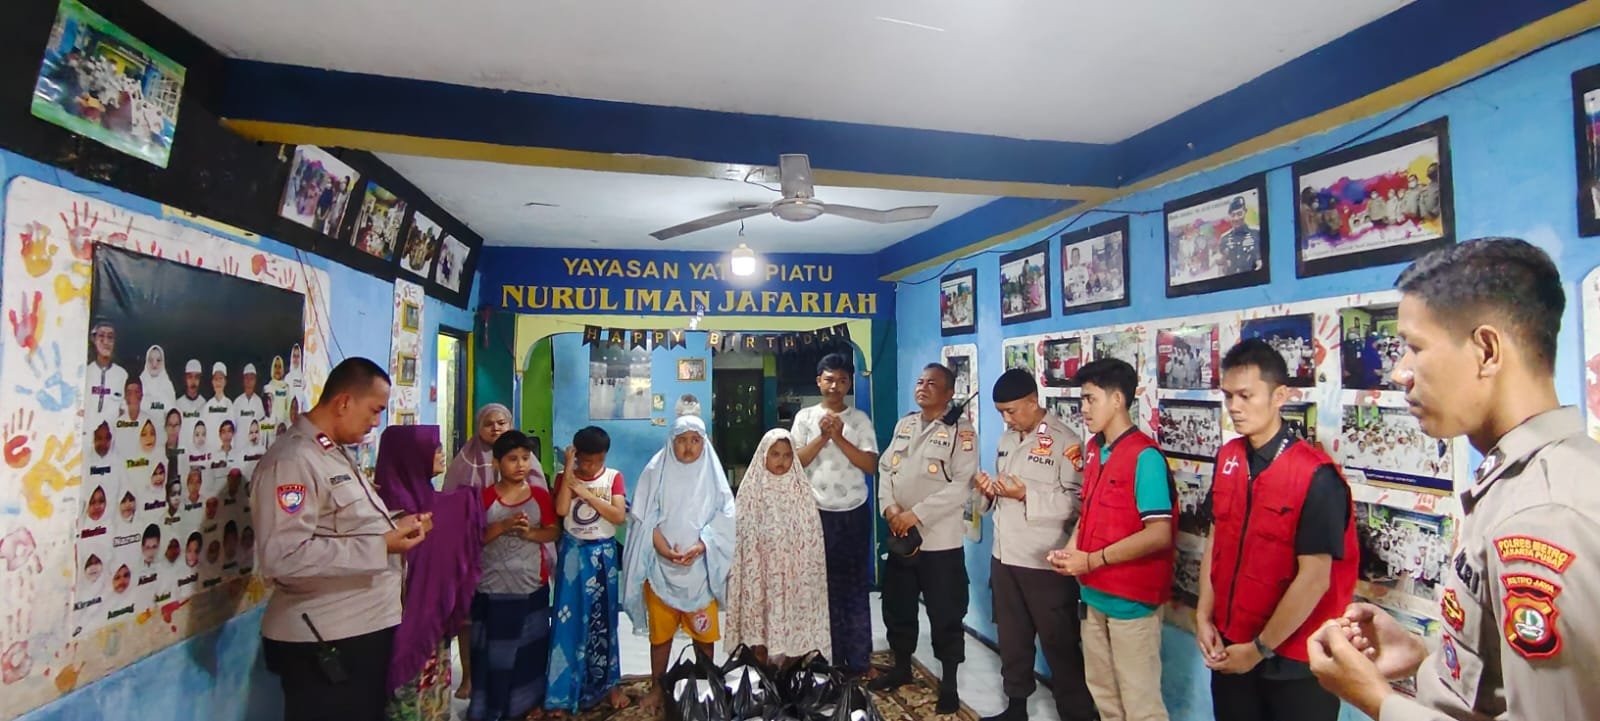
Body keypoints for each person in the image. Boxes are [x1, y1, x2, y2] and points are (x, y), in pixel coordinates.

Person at [1308, 238, 1600, 719]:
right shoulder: (1529, 478)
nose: (1399, 373)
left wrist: (1377, 700)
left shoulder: (1543, 516)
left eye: (1414, 348)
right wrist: (1427, 661)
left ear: (1486, 350)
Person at [251, 357, 432, 721]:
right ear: (344, 402)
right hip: (325, 637)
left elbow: (342, 524)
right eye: (375, 410)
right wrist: (382, 545)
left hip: (359, 630)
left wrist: (395, 526)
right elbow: (283, 556)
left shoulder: (332, 453)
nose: (376, 422)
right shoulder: (293, 460)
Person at [1197, 339, 1356, 721]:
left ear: (1280, 396)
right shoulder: (1228, 457)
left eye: (1246, 395)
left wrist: (1259, 649)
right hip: (1231, 646)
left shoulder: (1316, 475)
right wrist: (1204, 615)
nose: (1234, 407)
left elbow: (1314, 579)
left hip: (1296, 662)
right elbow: (1217, 540)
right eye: (1228, 396)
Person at [1048, 358, 1175, 721]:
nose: (1084, 408)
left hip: (1131, 603)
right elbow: (1089, 511)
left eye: (1091, 399)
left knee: (1140, 704)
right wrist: (1071, 551)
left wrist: (1092, 560)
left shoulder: (1145, 457)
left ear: (1117, 400)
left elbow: (1159, 534)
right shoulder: (1094, 449)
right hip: (1093, 597)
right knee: (1104, 696)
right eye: (1082, 400)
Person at [974, 369, 1097, 721]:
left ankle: (1076, 714)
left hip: (1045, 561)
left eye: (1011, 411)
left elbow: (1078, 503)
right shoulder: (1007, 439)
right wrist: (988, 492)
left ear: (1032, 401)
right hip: (1004, 556)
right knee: (1013, 640)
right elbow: (1001, 492)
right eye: (1001, 412)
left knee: (1060, 645)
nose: (1006, 419)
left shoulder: (1065, 442)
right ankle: (1016, 709)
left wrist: (1027, 494)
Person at [870, 363, 978, 713]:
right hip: (901, 536)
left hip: (938, 543)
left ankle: (949, 683)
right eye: (920, 381)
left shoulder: (962, 432)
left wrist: (914, 515)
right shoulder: (905, 425)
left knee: (946, 613)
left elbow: (961, 486)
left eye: (933, 383)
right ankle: (901, 667)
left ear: (949, 393)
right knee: (897, 607)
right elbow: (886, 468)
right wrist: (890, 509)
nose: (923, 387)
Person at [621, 415, 736, 714]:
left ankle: (706, 684)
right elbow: (645, 518)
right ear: (671, 441)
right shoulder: (655, 471)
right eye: (682, 440)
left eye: (695, 440)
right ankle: (658, 688)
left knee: (704, 635)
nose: (688, 447)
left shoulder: (712, 475)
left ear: (704, 442)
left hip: (700, 572)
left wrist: (701, 546)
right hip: (661, 570)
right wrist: (662, 549)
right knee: (660, 637)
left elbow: (725, 517)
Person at [373, 423, 483, 721]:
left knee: (433, 702)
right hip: (395, 626)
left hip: (433, 625)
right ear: (410, 457)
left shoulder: (439, 505)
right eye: (433, 449)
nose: (441, 454)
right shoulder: (385, 515)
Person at [790, 352, 879, 677]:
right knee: (817, 588)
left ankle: (857, 659)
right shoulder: (805, 418)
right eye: (829, 380)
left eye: (842, 381)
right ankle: (820, 658)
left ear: (850, 383)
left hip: (853, 514)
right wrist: (823, 436)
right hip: (815, 514)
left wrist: (839, 437)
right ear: (819, 381)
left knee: (853, 588)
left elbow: (870, 465)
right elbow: (795, 462)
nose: (835, 386)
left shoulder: (859, 420)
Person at [471, 430, 559, 721]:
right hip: (493, 589)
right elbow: (474, 539)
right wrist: (504, 526)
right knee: (494, 654)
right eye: (512, 459)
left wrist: (531, 533)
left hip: (530, 586)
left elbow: (552, 531)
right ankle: (492, 708)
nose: (521, 465)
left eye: (525, 458)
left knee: (529, 652)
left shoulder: (539, 495)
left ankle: (524, 707)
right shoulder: (484, 497)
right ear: (496, 463)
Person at [726, 428, 833, 667]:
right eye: (775, 454)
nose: (781, 461)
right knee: (761, 625)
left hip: (794, 573)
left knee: (794, 625)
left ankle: (790, 671)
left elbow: (811, 533)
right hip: (761, 571)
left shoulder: (800, 489)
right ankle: (761, 671)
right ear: (764, 455)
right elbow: (743, 532)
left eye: (787, 455)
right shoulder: (751, 488)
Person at [441, 402, 524, 701]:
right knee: (470, 617)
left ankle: (508, 677)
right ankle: (469, 677)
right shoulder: (464, 461)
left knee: (508, 616)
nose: (496, 428)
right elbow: (451, 505)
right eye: (489, 423)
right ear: (479, 427)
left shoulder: (522, 458)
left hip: (516, 548)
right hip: (475, 548)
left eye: (502, 423)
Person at [546, 427, 629, 713]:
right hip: (573, 556)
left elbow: (618, 515)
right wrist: (570, 471)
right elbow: (561, 510)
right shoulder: (565, 477)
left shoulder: (613, 477)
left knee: (604, 620)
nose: (592, 466)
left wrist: (585, 493)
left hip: (603, 555)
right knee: (567, 622)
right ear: (576, 455)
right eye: (586, 460)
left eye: (598, 460)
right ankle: (562, 691)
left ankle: (608, 684)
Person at [87, 320, 127, 425]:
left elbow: (124, 410)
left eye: (110, 337)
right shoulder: (86, 372)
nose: (106, 342)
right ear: (94, 339)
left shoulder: (121, 375)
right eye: (101, 336)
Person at [1219, 196, 1263, 275]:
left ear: (1245, 212)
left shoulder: (1256, 233)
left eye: (1239, 214)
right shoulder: (1224, 238)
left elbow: (1260, 262)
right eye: (1233, 215)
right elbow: (1221, 266)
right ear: (1229, 216)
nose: (1236, 218)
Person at [176, 359, 206, 452]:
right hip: (183, 452)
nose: (193, 381)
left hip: (199, 453)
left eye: (196, 377)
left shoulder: (204, 404)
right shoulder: (178, 404)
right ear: (185, 378)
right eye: (190, 377)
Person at [140, 345, 176, 417]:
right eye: (151, 360)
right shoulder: (139, 384)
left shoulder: (168, 386)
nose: (154, 364)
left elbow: (172, 413)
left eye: (158, 360)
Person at [233, 363, 267, 435]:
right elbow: (232, 425)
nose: (249, 381)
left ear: (255, 381)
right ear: (243, 380)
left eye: (251, 378)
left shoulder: (258, 402)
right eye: (247, 378)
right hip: (239, 441)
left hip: (254, 441)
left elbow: (261, 426)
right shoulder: (237, 402)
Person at [205, 362, 234, 439]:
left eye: (221, 378)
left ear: (225, 381)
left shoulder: (229, 404)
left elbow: (232, 430)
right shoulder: (208, 405)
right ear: (212, 382)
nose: (218, 382)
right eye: (216, 379)